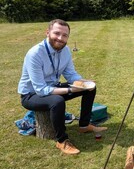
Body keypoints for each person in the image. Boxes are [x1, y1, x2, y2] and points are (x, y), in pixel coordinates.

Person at [18, 19, 107, 155]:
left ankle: (84, 125)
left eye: (65, 35)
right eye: (57, 33)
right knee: (57, 101)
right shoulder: (35, 54)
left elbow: (71, 74)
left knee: (90, 88)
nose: (60, 38)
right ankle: (62, 141)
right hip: (31, 95)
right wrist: (70, 89)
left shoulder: (65, 50)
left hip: (52, 87)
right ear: (47, 32)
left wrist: (84, 83)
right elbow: (41, 90)